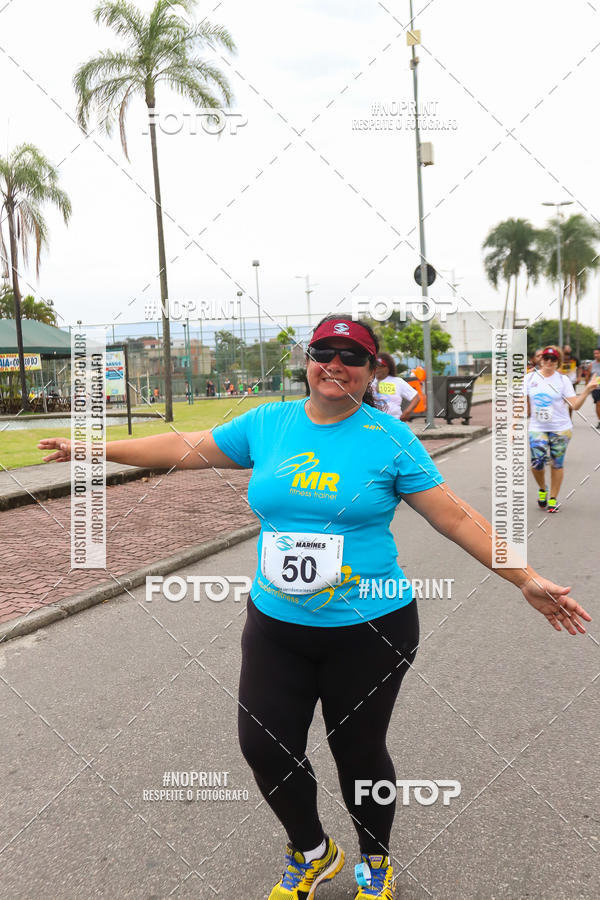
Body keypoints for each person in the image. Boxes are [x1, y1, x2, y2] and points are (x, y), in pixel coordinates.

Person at [38, 316, 592, 900]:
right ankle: (312, 852)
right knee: (263, 746)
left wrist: (524, 577)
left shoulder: (388, 437)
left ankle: (374, 861)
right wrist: (93, 448)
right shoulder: (268, 424)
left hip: (371, 627)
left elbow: (454, 516)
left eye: (352, 356)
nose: (335, 364)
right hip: (276, 624)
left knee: (358, 752)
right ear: (307, 361)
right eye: (324, 351)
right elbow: (183, 446)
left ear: (372, 370)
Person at [525, 345, 598, 513]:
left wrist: (587, 390)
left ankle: (553, 498)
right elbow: (521, 402)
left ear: (557, 362)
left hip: (560, 428)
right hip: (537, 427)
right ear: (541, 360)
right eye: (546, 358)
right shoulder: (529, 378)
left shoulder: (563, 380)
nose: (549, 361)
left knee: (557, 464)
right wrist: (513, 425)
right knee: (537, 463)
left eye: (553, 359)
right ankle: (542, 488)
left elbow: (575, 405)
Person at [373, 353, 419, 421]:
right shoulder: (369, 382)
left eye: (381, 366)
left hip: (394, 421)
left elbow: (416, 397)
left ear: (389, 367)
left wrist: (407, 412)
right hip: (374, 422)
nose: (378, 369)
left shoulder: (398, 382)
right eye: (375, 366)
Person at [584, 347, 600, 429]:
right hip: (596, 388)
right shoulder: (592, 364)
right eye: (595, 353)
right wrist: (587, 386)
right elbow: (587, 376)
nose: (596, 355)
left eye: (597, 353)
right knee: (598, 404)